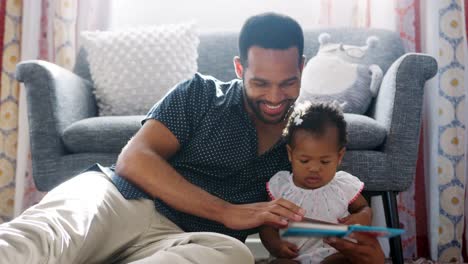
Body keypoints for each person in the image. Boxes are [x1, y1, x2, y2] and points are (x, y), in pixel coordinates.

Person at [0, 13, 384, 264]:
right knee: (45, 237)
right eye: (260, 83)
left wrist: (352, 246)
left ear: (303, 67)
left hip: (189, 242)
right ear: (239, 68)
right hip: (120, 200)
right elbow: (136, 158)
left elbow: (321, 217)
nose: (274, 97)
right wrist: (227, 211)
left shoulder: (303, 142)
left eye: (288, 83)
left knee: (234, 256)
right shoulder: (201, 93)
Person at [259, 101, 372, 264]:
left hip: (333, 254)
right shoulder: (282, 187)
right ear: (291, 154)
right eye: (304, 161)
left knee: (349, 259)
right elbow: (267, 225)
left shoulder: (343, 186)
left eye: (325, 161)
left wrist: (363, 216)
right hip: (293, 256)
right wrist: (276, 245)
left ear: (339, 156)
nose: (314, 168)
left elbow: (363, 207)